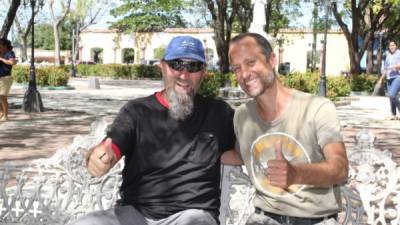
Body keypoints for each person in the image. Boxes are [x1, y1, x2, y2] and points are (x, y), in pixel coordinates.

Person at [69, 36, 237, 225]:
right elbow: (111, 146)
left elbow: (247, 150)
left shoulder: (218, 113)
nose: (184, 74)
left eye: (193, 67)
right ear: (163, 67)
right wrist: (99, 157)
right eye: (176, 64)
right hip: (136, 215)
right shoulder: (137, 111)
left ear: (204, 72)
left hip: (192, 216)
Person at [228, 33, 348, 225]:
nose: (243, 74)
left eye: (251, 63)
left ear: (272, 60)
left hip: (315, 220)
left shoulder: (317, 108)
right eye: (236, 68)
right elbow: (240, 155)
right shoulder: (242, 115)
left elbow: (340, 169)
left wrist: (295, 174)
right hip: (263, 218)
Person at [379, 40, 400, 120]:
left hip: (397, 77)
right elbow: (385, 69)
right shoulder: (388, 56)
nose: (392, 47)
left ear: (396, 46)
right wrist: (381, 79)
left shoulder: (399, 53)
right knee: (391, 97)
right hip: (389, 78)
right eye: (390, 46)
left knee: (392, 94)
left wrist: (393, 67)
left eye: (393, 45)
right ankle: (393, 114)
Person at [0, 38, 17, 121]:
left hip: (5, 78)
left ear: (4, 46)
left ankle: (5, 115)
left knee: (2, 96)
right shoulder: (1, 53)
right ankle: (1, 113)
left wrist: (1, 59)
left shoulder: (9, 53)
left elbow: (12, 62)